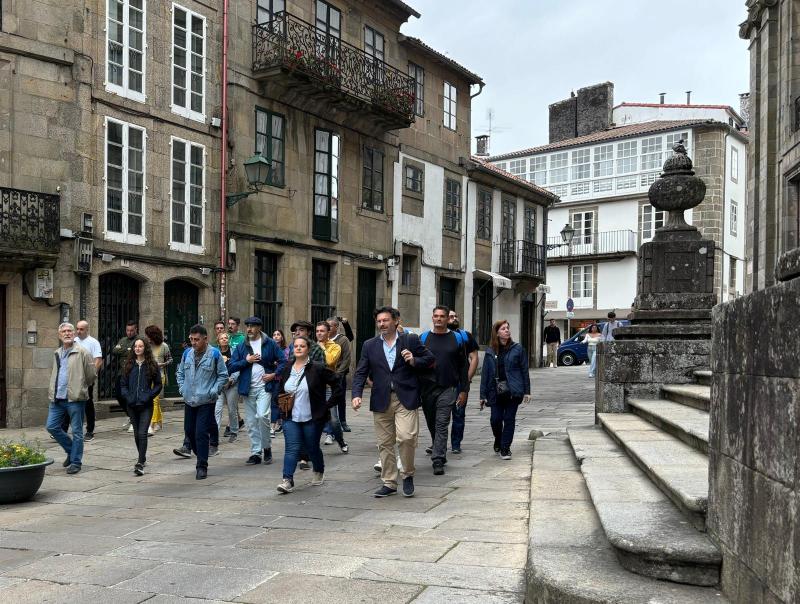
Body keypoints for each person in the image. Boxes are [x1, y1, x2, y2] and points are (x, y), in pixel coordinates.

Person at [352, 306, 434, 498]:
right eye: (379, 321)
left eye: (385, 320)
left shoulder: (410, 340)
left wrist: (414, 360)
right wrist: (356, 394)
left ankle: (407, 474)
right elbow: (361, 371)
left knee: (406, 438)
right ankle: (389, 482)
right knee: (384, 443)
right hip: (381, 399)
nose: (382, 324)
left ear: (396, 321)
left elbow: (429, 359)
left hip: (405, 397)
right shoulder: (369, 345)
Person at [276, 336, 345, 493]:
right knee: (292, 448)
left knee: (312, 447)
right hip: (290, 417)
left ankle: (319, 470)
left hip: (312, 417)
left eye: (302, 346)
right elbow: (280, 389)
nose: (298, 348)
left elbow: (337, 383)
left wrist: (327, 404)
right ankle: (287, 480)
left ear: (308, 349)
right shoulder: (287, 367)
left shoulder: (318, 368)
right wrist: (279, 404)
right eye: (296, 346)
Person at [228, 316, 286, 465]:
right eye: (247, 326)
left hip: (264, 387)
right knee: (251, 422)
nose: (249, 329)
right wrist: (246, 361)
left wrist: (274, 375)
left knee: (262, 416)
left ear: (259, 328)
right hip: (247, 389)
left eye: (252, 326)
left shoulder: (270, 343)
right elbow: (231, 366)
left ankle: (266, 447)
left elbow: (284, 362)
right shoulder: (242, 346)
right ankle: (255, 452)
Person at [419, 306, 470, 475]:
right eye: (436, 316)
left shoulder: (457, 339)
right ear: (432, 318)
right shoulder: (423, 338)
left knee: (442, 423)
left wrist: (464, 390)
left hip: (448, 388)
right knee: (432, 422)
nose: (439, 319)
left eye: (442, 316)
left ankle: (438, 459)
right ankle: (438, 447)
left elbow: (464, 366)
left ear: (448, 319)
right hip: (427, 389)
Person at [176, 324, 228, 479]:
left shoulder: (215, 354)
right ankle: (201, 452)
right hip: (189, 399)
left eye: (196, 339)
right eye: (191, 339)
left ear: (205, 339)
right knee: (189, 431)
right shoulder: (187, 354)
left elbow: (223, 375)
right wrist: (182, 388)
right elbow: (179, 373)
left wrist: (214, 390)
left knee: (200, 433)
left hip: (206, 400)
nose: (193, 342)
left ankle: (202, 465)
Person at [46, 322, 96, 474]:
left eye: (70, 331)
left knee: (77, 432)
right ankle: (71, 450)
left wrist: (80, 387)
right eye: (64, 331)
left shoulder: (83, 352)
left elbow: (91, 376)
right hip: (57, 398)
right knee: (52, 426)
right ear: (59, 335)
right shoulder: (57, 353)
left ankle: (76, 462)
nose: (67, 333)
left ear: (74, 334)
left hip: (75, 399)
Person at [479, 320, 531, 460]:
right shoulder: (490, 351)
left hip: (513, 390)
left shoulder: (517, 348)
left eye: (507, 328)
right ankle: (499, 439)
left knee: (509, 419)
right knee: (495, 419)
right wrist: (482, 395)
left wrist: (527, 391)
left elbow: (524, 370)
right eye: (503, 329)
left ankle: (505, 448)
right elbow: (485, 373)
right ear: (497, 333)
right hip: (494, 391)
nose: (507, 330)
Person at [120, 337, 162, 476]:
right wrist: (128, 396)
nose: (138, 348)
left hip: (146, 405)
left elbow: (158, 384)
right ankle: (142, 457)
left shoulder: (151, 365)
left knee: (143, 433)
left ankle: (139, 462)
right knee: (137, 434)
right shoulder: (128, 364)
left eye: (140, 346)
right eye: (136, 346)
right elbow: (123, 384)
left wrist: (148, 395)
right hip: (132, 404)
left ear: (145, 348)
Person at [60, 320, 102, 441]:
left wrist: (91, 377)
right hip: (72, 378)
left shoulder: (93, 342)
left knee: (88, 404)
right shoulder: (73, 341)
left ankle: (90, 431)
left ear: (87, 329)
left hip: (86, 379)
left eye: (81, 329)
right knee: (69, 401)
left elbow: (98, 360)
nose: (78, 331)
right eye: (77, 329)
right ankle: (63, 428)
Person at [445, 309, 479, 454]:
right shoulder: (435, 335)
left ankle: (455, 444)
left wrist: (467, 378)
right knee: (440, 415)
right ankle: (438, 443)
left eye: (455, 316)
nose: (454, 318)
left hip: (460, 382)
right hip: (442, 382)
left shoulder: (465, 336)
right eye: (451, 316)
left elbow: (474, 358)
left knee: (458, 414)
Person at [316, 321, 347, 449]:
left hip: (328, 387)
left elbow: (329, 361)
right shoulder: (311, 345)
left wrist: (322, 347)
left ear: (328, 333)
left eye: (322, 331)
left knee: (333, 419)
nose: (319, 334)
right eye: (317, 331)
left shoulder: (335, 347)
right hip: (315, 387)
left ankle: (341, 441)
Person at [144, 325, 172, 434]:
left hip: (160, 376)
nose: (146, 337)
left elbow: (170, 359)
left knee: (154, 400)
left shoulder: (164, 346)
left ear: (152, 335)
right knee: (154, 400)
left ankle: (152, 424)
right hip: (148, 376)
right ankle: (159, 422)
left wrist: (163, 364)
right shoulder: (146, 346)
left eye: (148, 335)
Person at [327, 317, 353, 432]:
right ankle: (328, 423)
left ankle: (343, 421)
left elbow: (346, 359)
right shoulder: (324, 339)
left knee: (340, 398)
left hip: (339, 374)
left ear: (336, 327)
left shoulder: (342, 340)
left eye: (330, 326)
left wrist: (339, 373)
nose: (327, 328)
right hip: (326, 374)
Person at [112, 321, 138, 430]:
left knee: (131, 397)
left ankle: (134, 419)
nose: (129, 332)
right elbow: (115, 350)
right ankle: (130, 416)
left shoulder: (139, 340)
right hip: (122, 373)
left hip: (133, 373)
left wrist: (126, 351)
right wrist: (127, 350)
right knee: (119, 395)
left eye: (132, 330)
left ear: (136, 330)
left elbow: (135, 353)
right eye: (128, 330)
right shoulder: (123, 340)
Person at [215, 332, 241, 443]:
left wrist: (231, 380)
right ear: (218, 341)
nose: (224, 339)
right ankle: (214, 433)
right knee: (217, 409)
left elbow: (238, 367)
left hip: (232, 384)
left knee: (232, 410)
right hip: (219, 385)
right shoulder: (215, 353)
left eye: (226, 338)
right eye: (222, 338)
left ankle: (234, 431)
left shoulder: (234, 352)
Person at [270, 329, 291, 436]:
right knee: (274, 402)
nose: (276, 336)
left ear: (282, 337)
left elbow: (286, 363)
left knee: (278, 402)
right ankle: (278, 423)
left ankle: (273, 426)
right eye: (274, 335)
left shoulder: (286, 350)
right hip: (270, 379)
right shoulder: (269, 348)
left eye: (278, 334)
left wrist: (276, 362)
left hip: (281, 379)